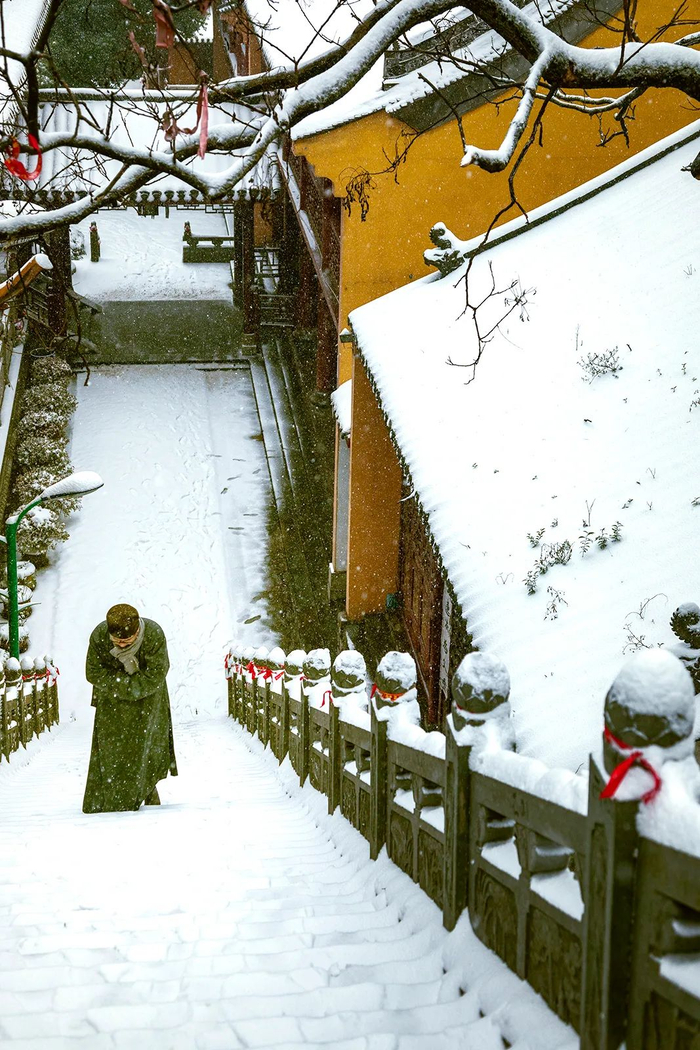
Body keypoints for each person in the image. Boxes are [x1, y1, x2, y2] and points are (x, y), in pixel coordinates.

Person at [82, 603, 178, 813]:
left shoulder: (153, 634)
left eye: (127, 641)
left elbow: (156, 674)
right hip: (111, 703)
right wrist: (124, 687)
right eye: (117, 641)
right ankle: (113, 800)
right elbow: (93, 672)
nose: (122, 646)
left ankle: (146, 791)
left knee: (147, 747)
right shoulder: (99, 635)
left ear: (137, 632)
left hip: (149, 701)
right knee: (112, 752)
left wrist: (123, 687)